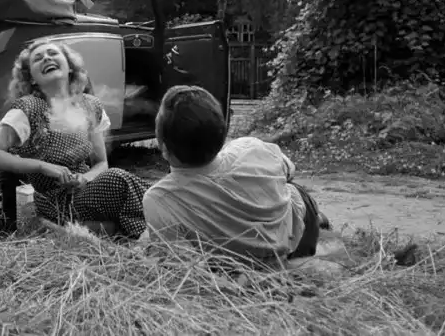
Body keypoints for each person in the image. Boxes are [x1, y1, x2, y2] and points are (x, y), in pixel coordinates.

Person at [0, 39, 152, 239]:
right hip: (56, 203)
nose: (46, 58)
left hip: (88, 191)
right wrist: (42, 166)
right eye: (38, 58)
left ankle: (156, 219)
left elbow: (101, 163)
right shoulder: (28, 109)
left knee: (133, 186)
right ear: (31, 78)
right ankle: (148, 235)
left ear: (70, 67)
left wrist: (84, 179)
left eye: (53, 53)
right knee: (118, 180)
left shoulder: (90, 105)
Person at [141, 85, 330, 264]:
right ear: (222, 134)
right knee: (291, 188)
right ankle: (318, 220)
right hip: (299, 238)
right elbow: (290, 170)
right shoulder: (250, 148)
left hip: (242, 263)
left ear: (164, 148)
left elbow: (179, 261)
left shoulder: (159, 199)